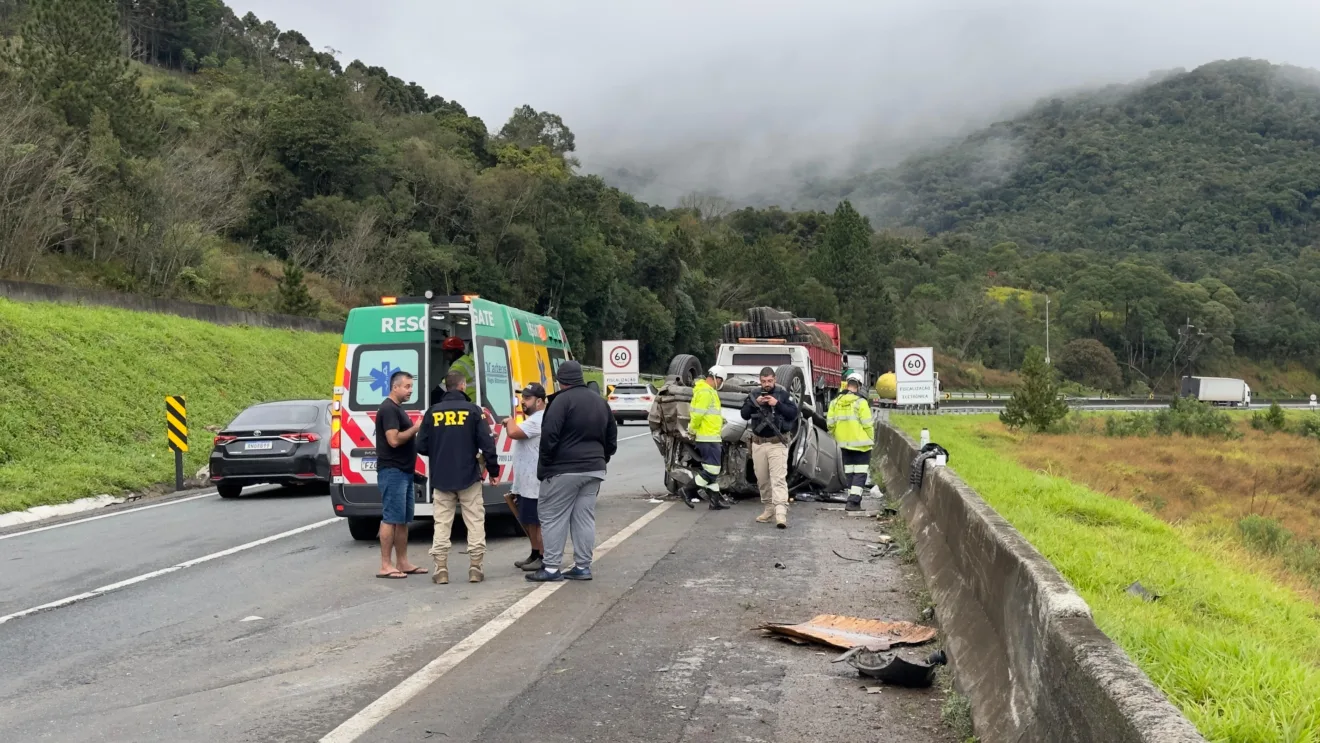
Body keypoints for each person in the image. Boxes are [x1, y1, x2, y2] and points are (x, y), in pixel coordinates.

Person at [526, 360, 618, 582]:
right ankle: (583, 566)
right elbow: (611, 439)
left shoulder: (560, 402)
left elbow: (549, 437)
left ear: (560, 381)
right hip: (594, 469)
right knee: (583, 518)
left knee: (552, 517)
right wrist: (601, 458)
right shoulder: (600, 402)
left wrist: (546, 465)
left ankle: (550, 568)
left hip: (562, 470)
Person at [416, 370, 500, 584]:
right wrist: (493, 471)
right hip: (469, 476)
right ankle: (475, 567)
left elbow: (421, 446)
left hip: (441, 477)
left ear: (446, 386)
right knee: (474, 521)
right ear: (462, 386)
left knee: (442, 523)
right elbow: (487, 445)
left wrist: (439, 453)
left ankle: (441, 569)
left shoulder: (432, 412)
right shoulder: (473, 411)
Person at [375, 370, 425, 579]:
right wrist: (415, 428)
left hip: (404, 471)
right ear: (395, 387)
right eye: (406, 387)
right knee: (390, 518)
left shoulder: (397, 409)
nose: (410, 391)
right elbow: (393, 440)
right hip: (392, 470)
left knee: (403, 519)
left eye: (411, 387)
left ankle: (402, 562)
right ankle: (386, 565)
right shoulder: (388, 409)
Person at [740, 367, 799, 529]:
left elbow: (793, 414)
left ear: (775, 380)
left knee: (778, 479)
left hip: (776, 444)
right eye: (764, 381)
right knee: (762, 480)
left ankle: (781, 513)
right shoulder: (753, 395)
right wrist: (755, 404)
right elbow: (744, 414)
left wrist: (777, 404)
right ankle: (769, 509)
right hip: (758, 444)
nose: (767, 384)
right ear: (760, 380)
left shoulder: (783, 394)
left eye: (770, 381)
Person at [505, 382, 547, 571]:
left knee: (537, 522)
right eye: (523, 398)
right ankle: (534, 553)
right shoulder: (533, 419)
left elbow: (513, 433)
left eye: (527, 399)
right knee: (529, 520)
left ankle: (543, 556)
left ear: (539, 401)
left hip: (535, 484)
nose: (523, 402)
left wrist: (508, 421)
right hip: (526, 483)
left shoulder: (539, 419)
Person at [828, 371, 875, 512]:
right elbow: (868, 424)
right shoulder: (861, 402)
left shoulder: (835, 402)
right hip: (862, 444)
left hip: (844, 444)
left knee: (850, 473)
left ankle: (851, 499)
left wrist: (838, 436)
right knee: (860, 473)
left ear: (847, 384)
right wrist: (871, 439)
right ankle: (853, 502)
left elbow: (830, 424)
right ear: (859, 386)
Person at [687, 365, 729, 510]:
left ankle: (715, 501)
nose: (721, 384)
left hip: (710, 435)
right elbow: (698, 415)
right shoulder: (706, 392)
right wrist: (692, 429)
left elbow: (708, 414)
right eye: (722, 380)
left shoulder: (707, 391)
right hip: (708, 437)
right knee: (713, 470)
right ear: (717, 378)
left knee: (710, 470)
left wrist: (720, 420)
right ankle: (687, 490)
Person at [441, 336, 476, 401]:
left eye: (446, 353)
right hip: (472, 402)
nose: (445, 357)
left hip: (467, 403)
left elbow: (443, 387)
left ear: (455, 352)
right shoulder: (466, 360)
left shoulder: (458, 366)